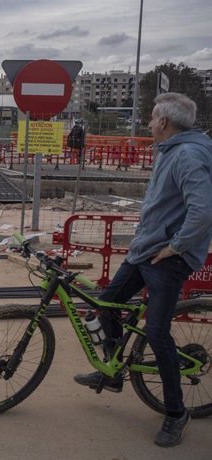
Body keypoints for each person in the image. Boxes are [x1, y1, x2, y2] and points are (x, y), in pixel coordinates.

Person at [73, 93, 212, 447]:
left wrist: (175, 247)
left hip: (168, 258)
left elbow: (202, 212)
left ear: (164, 122)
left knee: (157, 332)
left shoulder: (189, 155)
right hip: (144, 251)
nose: (148, 124)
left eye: (151, 118)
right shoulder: (170, 150)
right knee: (105, 305)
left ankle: (176, 414)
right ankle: (114, 369)